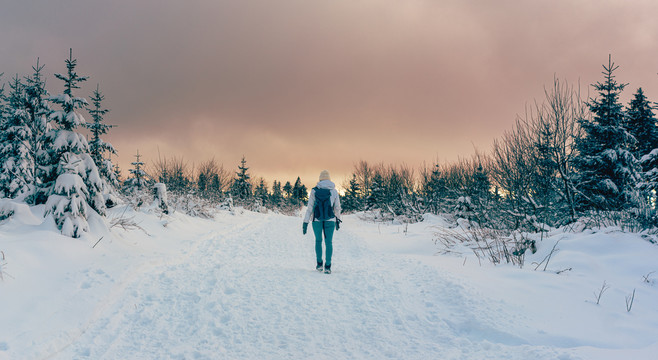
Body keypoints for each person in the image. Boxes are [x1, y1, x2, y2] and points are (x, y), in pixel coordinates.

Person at [303, 170, 342, 274]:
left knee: (318, 241)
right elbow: (337, 208)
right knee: (329, 242)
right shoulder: (334, 191)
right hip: (331, 220)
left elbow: (310, 208)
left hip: (317, 219)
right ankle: (328, 266)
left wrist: (305, 222)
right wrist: (338, 219)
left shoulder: (314, 191)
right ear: (329, 179)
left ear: (320, 179)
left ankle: (319, 264)